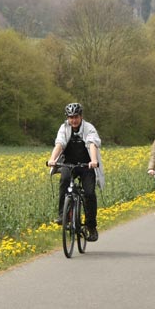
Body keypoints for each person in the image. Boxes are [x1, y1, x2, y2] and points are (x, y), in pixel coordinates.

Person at [47, 102, 103, 242]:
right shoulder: (64, 128)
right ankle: (63, 215)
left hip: (87, 165)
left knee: (89, 193)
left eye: (76, 117)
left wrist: (94, 161)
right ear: (67, 118)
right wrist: (52, 159)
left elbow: (92, 144)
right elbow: (59, 144)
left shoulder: (89, 128)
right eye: (70, 117)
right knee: (64, 181)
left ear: (81, 116)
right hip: (69, 163)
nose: (73, 120)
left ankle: (91, 226)